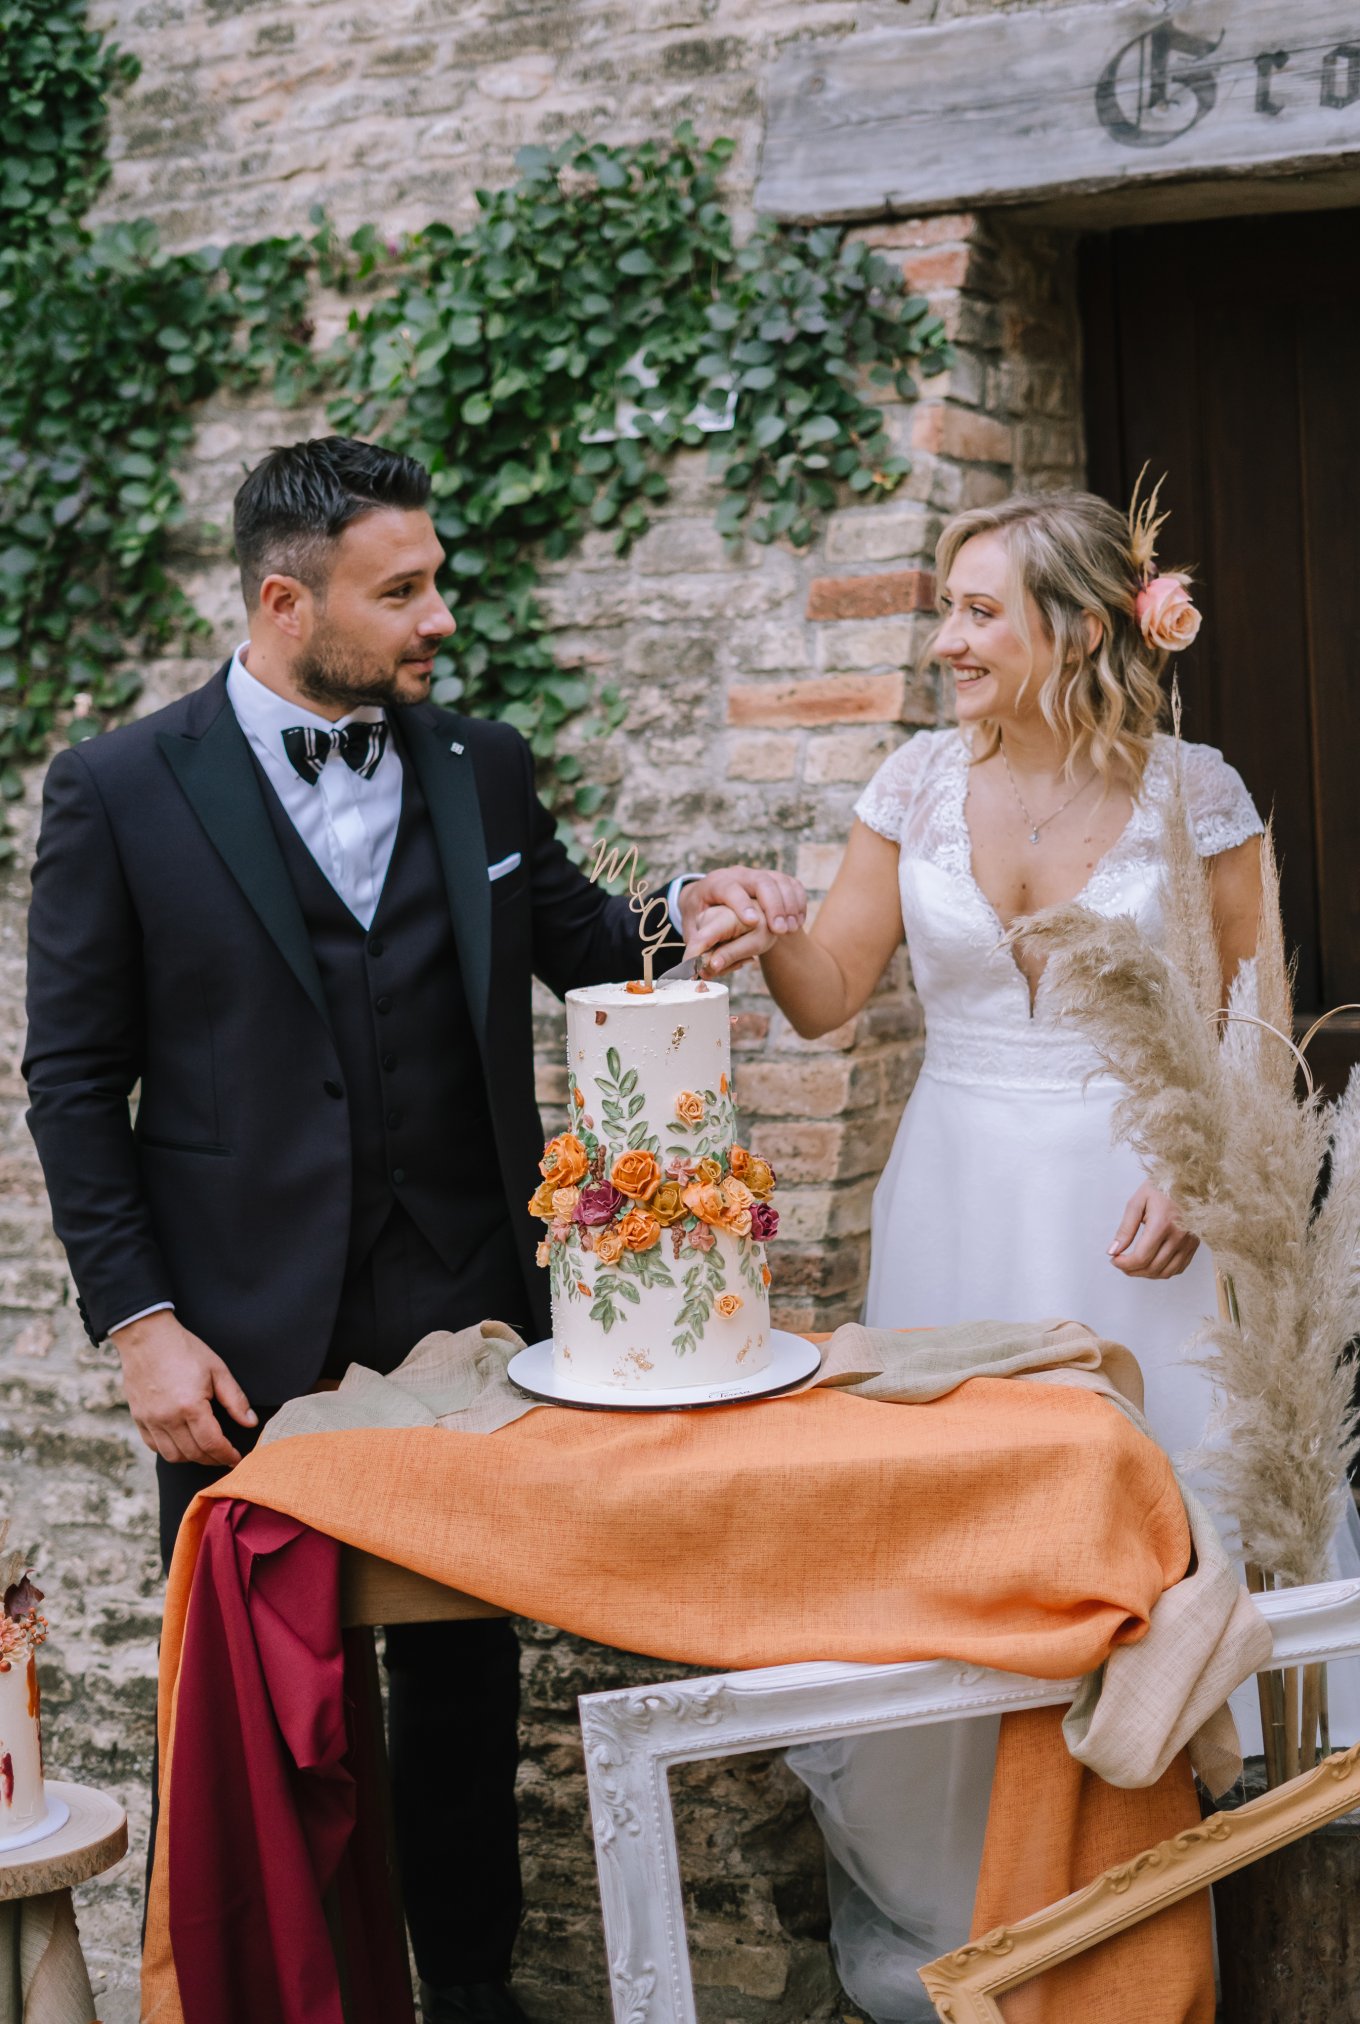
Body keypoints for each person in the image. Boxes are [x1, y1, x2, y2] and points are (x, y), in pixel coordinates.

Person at [21, 435, 803, 2024]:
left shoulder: (479, 763)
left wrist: (690, 906)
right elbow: (72, 1080)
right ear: (285, 602)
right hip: (236, 1331)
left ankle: (474, 1989)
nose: (441, 616)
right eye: (403, 591)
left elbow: (583, 935)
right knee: (255, 1702)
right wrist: (141, 1325)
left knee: (461, 1683)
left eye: (435, 579)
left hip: (468, 1306)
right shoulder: (120, 787)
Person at [697, 487, 1270, 2020]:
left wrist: (1204, 1168)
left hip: (1134, 1224)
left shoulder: (1197, 794)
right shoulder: (909, 784)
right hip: (953, 1205)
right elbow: (834, 994)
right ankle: (985, 1904)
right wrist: (768, 934)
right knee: (961, 1552)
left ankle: (1148, 1896)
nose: (943, 640)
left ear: (1075, 628)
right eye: (943, 610)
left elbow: (1257, 1020)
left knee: (1142, 1556)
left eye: (974, 612)